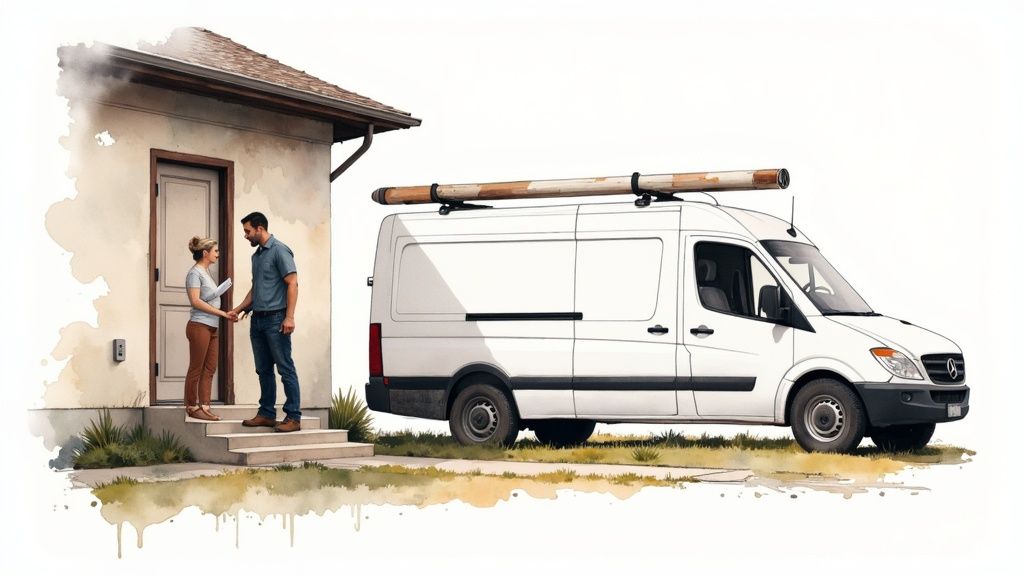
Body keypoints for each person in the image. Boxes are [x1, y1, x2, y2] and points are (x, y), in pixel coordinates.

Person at [231, 212, 302, 433]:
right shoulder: (257, 256)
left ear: (260, 229)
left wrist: (289, 317)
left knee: (285, 368)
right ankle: (267, 414)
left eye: (247, 231)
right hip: (258, 321)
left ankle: (293, 417)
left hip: (276, 320)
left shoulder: (280, 250)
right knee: (263, 370)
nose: (245, 235)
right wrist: (240, 308)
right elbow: (257, 288)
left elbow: (292, 283)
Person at [184, 236, 236, 422]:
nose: (218, 254)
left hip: (212, 326)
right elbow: (196, 301)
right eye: (215, 251)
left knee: (210, 368)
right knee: (196, 368)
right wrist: (222, 313)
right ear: (205, 253)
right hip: (199, 326)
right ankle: (191, 406)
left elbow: (207, 297)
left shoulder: (206, 273)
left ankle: (204, 407)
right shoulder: (194, 273)